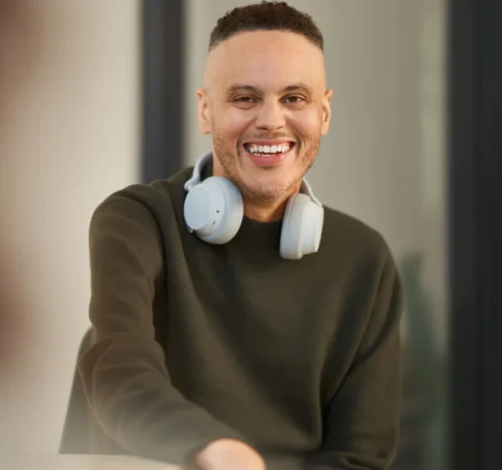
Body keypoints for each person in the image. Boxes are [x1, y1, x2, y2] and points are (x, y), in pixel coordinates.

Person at [80, 2, 403, 470]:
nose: (271, 120)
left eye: (294, 98)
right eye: (245, 98)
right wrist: (218, 451)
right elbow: (119, 375)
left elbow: (360, 457)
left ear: (324, 112)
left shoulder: (364, 260)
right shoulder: (137, 221)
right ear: (206, 110)